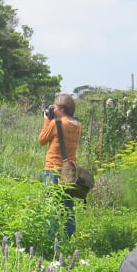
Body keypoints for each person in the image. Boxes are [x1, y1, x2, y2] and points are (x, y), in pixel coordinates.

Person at [38, 93, 81, 237]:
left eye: (55, 106)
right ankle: (69, 238)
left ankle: (51, 240)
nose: (53, 108)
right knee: (68, 206)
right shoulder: (77, 124)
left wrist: (46, 120)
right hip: (69, 170)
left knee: (51, 206)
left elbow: (42, 140)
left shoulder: (57, 123)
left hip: (54, 169)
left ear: (61, 108)